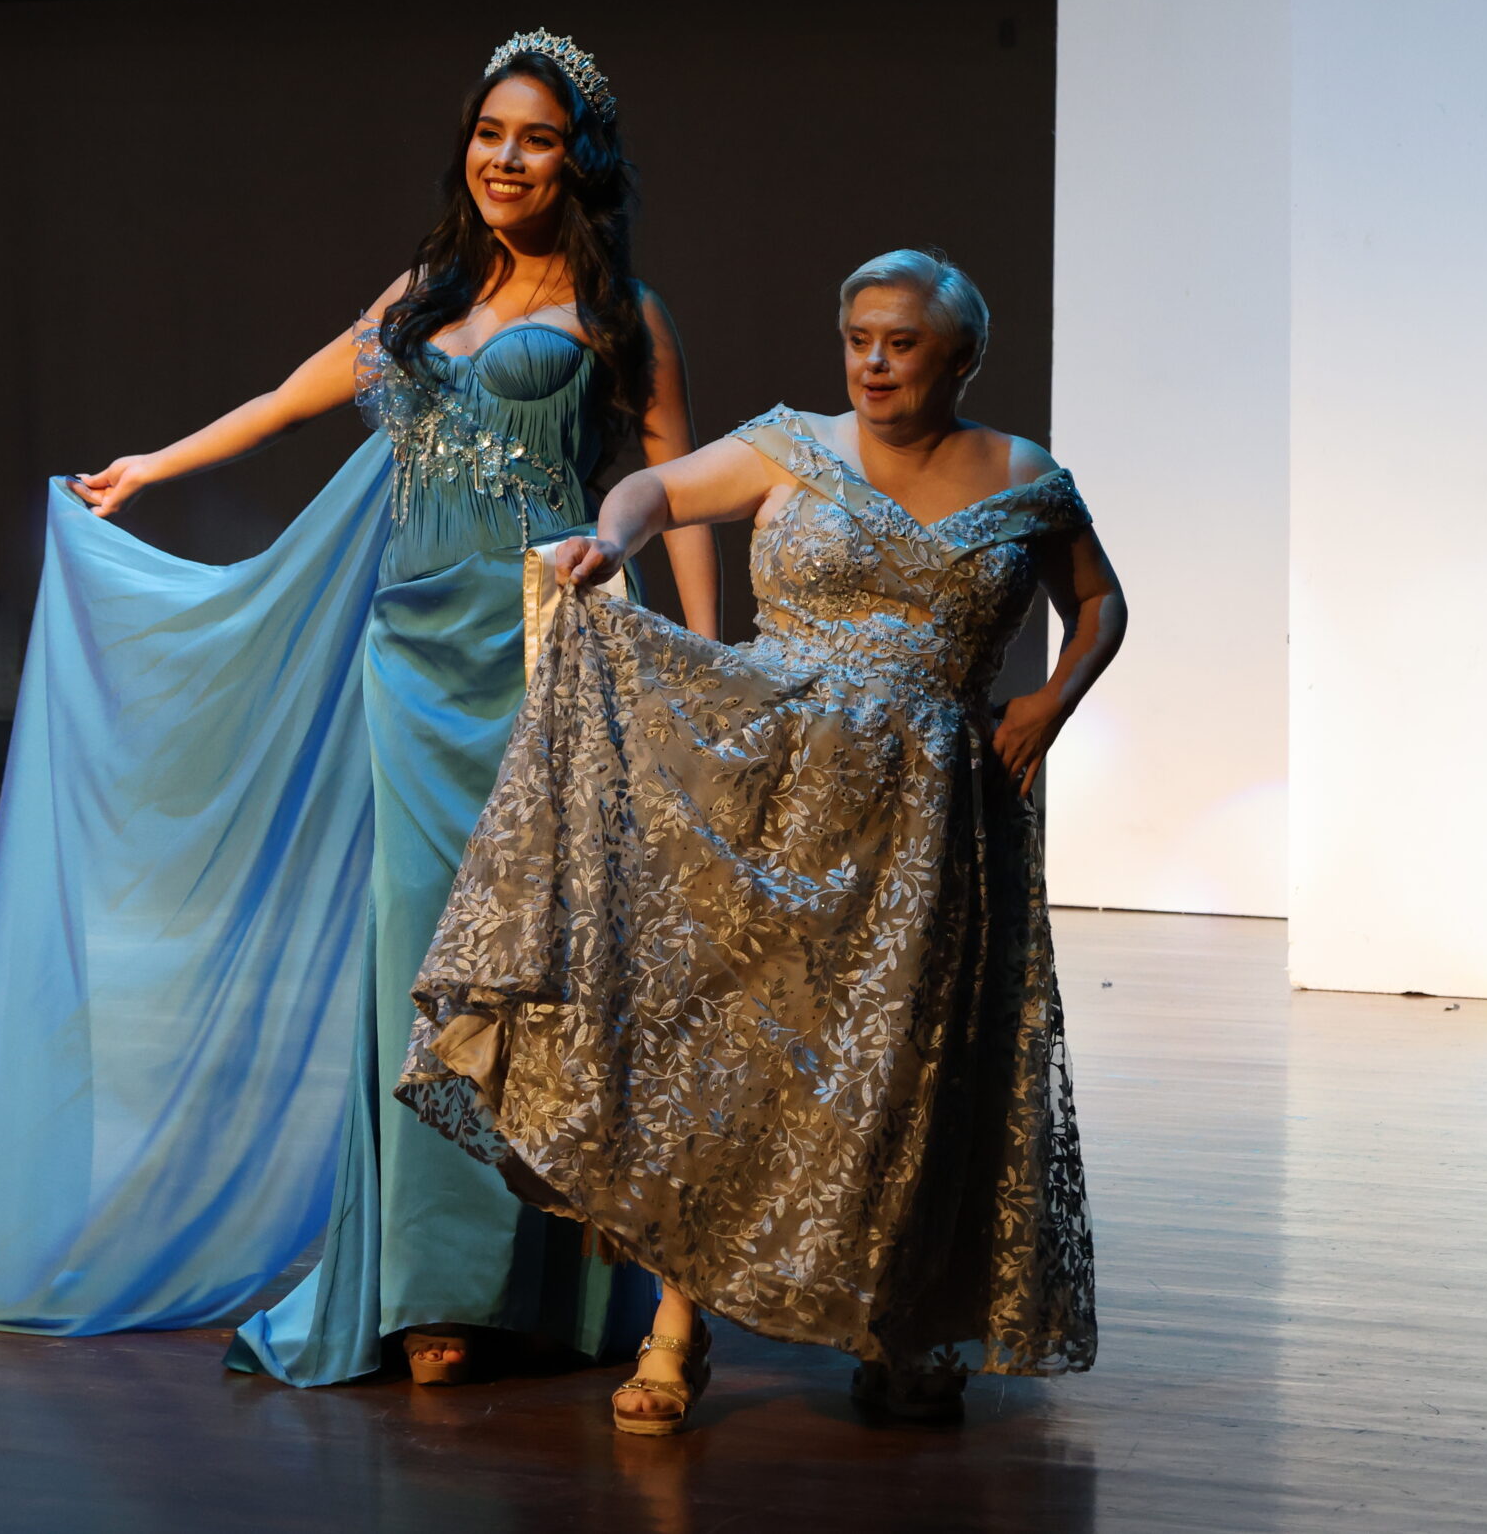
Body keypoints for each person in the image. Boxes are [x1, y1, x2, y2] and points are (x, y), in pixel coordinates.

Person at [0, 30, 719, 1390]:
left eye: (536, 138)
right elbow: (289, 401)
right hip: (413, 655)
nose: (505, 158)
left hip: (548, 651)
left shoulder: (626, 314)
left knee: (540, 958)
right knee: (418, 955)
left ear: (579, 161)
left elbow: (677, 485)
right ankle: (426, 1280)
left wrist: (698, 662)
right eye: (489, 132)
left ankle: (538, 1285)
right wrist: (153, 465)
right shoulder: (425, 294)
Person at [399, 249, 1123, 1432]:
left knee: (900, 1067)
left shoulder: (1023, 475)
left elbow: (1097, 600)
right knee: (727, 1049)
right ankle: (675, 1330)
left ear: (961, 359)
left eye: (901, 344)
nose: (873, 363)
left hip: (929, 820)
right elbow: (655, 488)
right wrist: (612, 542)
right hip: (767, 791)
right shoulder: (793, 448)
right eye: (858, 339)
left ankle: (900, 1324)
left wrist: (1052, 698)